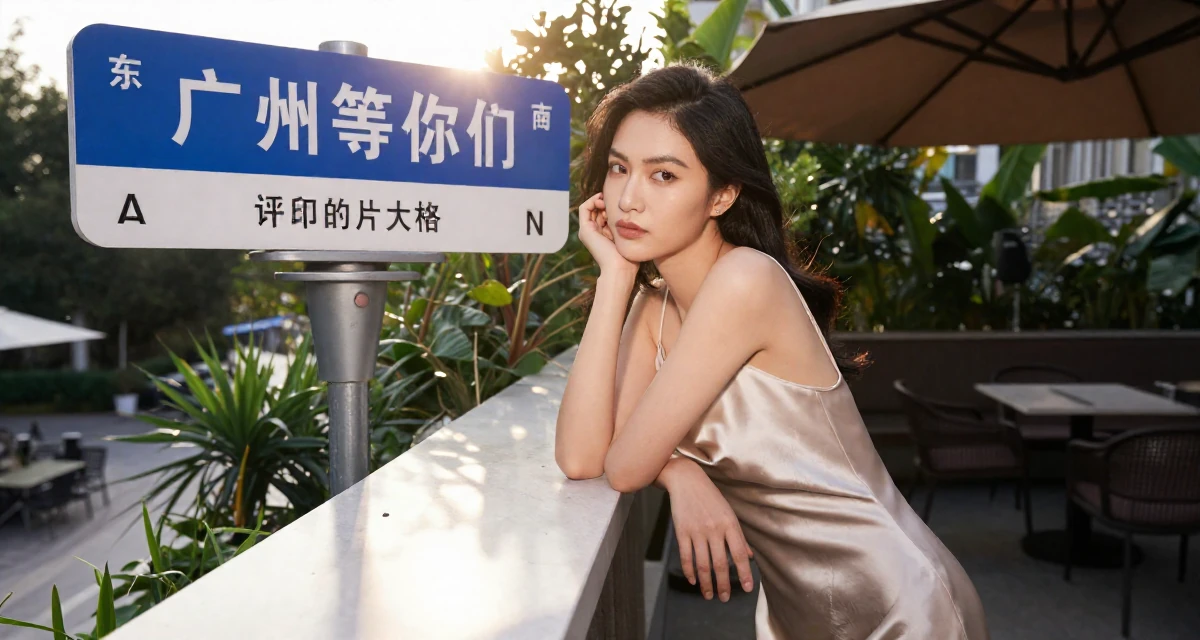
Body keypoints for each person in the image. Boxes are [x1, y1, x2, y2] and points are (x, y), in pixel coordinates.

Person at [553, 63, 989, 640]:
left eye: (664, 175)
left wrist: (665, 467)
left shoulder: (746, 280)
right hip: (796, 610)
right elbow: (583, 459)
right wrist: (615, 276)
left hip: (899, 599)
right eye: (619, 168)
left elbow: (628, 464)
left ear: (723, 194)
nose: (629, 198)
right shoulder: (655, 303)